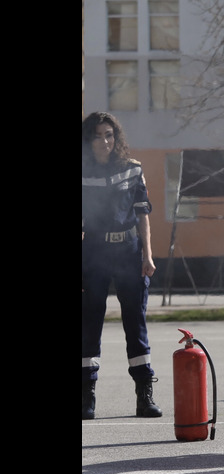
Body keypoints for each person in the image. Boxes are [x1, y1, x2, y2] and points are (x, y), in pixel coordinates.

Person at [82, 112, 162, 420]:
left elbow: (143, 213)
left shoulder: (133, 170)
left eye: (109, 135)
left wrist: (148, 256)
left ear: (116, 139)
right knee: (89, 322)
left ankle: (144, 396)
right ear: (87, 140)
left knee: (135, 322)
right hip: (93, 252)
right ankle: (86, 397)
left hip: (129, 251)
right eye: (97, 136)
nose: (104, 142)